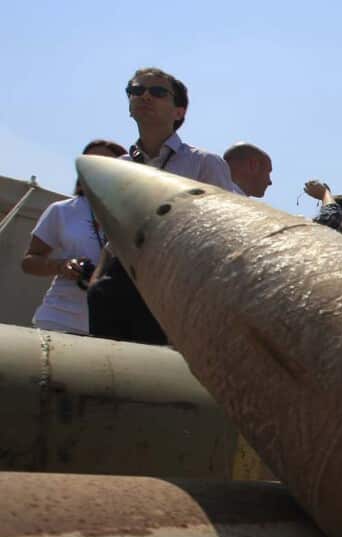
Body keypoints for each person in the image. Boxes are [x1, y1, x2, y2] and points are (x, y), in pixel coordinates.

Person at [87, 67, 241, 345]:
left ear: (179, 112)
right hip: (120, 284)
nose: (145, 96)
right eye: (136, 90)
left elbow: (223, 231)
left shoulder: (205, 164)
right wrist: (96, 282)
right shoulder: (120, 168)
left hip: (177, 283)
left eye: (158, 92)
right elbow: (113, 238)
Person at [22, 139, 127, 335]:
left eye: (105, 163)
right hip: (59, 318)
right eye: (88, 163)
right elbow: (29, 261)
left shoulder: (134, 216)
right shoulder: (62, 210)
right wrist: (62, 266)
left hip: (112, 324)